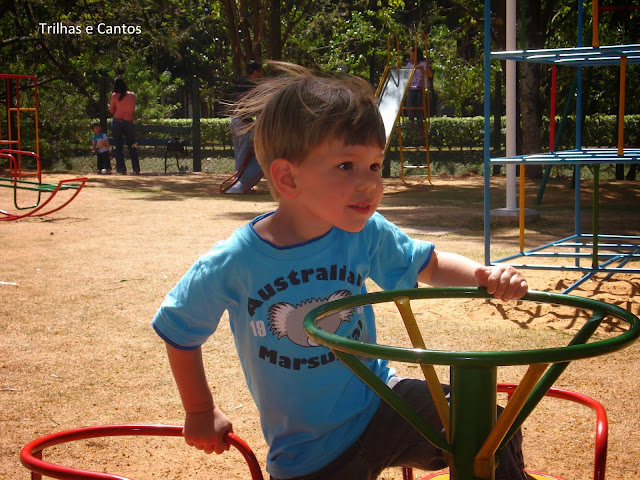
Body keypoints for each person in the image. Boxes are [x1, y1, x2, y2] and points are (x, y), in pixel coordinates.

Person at [152, 62, 529, 480]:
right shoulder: (236, 260)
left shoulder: (363, 232)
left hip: (380, 402)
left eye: (375, 166)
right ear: (288, 177)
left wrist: (484, 274)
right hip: (309, 449)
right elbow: (179, 325)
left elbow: (428, 263)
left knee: (487, 424)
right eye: (347, 166)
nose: (369, 183)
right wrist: (200, 409)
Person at [109, 78, 140, 175]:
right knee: (132, 144)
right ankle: (136, 168)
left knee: (119, 146)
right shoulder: (132, 95)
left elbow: (111, 110)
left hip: (117, 121)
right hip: (128, 122)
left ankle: (122, 169)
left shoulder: (115, 96)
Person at [404, 48, 436, 121]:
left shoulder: (423, 64)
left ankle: (420, 121)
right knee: (409, 102)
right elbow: (405, 75)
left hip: (421, 87)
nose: (412, 58)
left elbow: (430, 75)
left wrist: (427, 70)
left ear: (418, 56)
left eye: (413, 56)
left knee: (419, 102)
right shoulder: (409, 65)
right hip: (412, 87)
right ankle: (411, 119)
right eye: (411, 56)